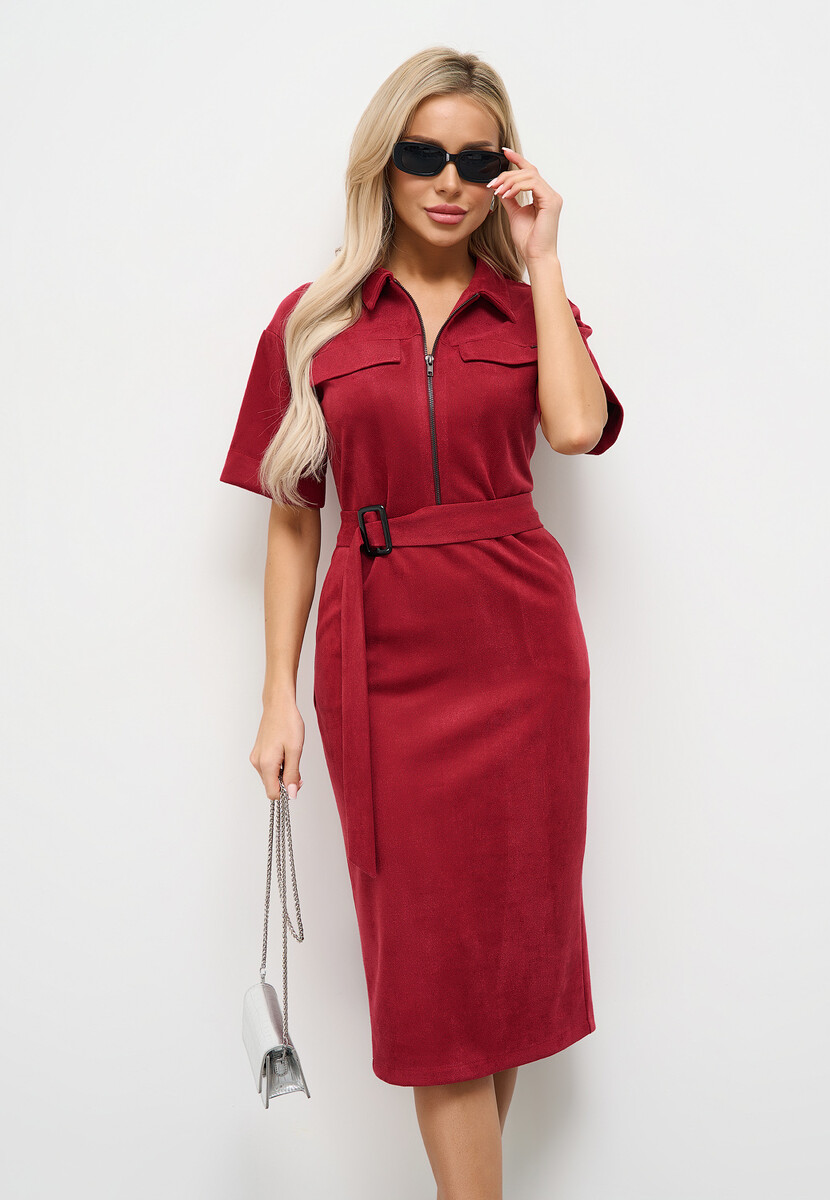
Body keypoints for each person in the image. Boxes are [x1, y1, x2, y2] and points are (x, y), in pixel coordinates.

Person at [220, 44, 624, 1200]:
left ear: (507, 172)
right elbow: (293, 516)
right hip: (384, 660)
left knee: (504, 964)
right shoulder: (313, 323)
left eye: (477, 160)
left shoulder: (530, 306)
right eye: (423, 155)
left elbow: (576, 430)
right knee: (436, 972)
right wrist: (276, 697)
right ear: (382, 164)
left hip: (525, 655)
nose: (450, 182)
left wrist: (545, 256)